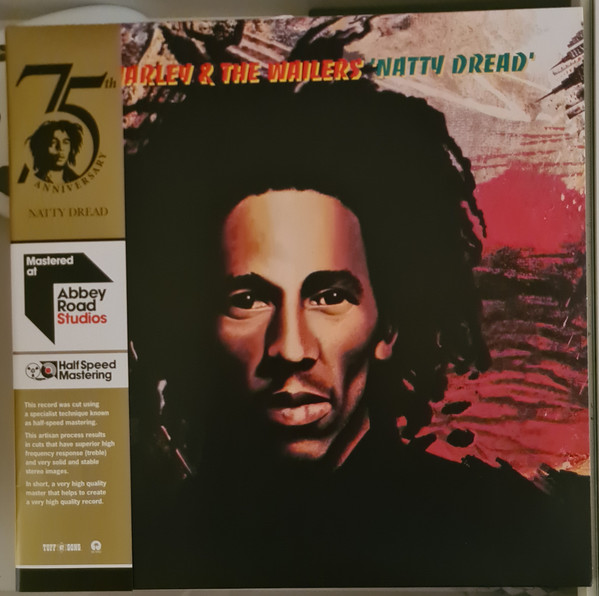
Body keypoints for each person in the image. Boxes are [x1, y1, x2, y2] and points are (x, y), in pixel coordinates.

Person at [126, 77, 590, 588]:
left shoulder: (510, 533)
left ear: (388, 326)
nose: (291, 349)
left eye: (329, 297)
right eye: (249, 300)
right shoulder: (153, 550)